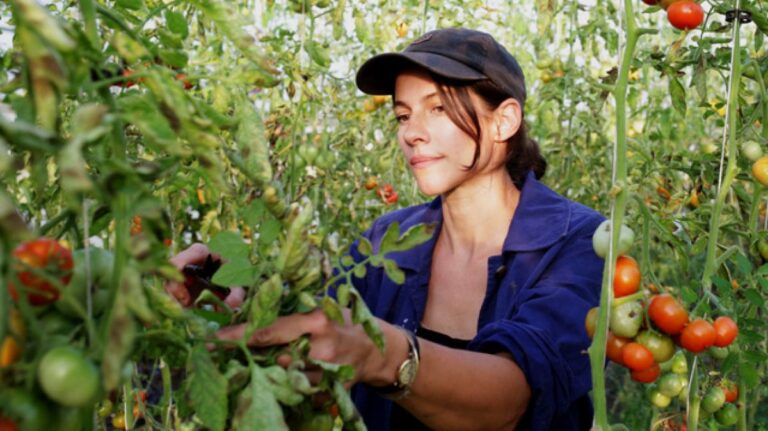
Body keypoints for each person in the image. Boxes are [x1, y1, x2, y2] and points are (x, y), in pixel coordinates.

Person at [167, 28, 604, 431]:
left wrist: (382, 356)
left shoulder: (581, 241)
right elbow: (323, 331)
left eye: (437, 108)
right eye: (402, 115)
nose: (412, 133)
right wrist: (236, 296)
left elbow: (510, 400)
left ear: (504, 121)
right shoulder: (388, 240)